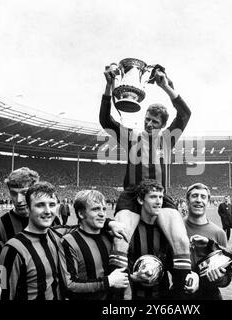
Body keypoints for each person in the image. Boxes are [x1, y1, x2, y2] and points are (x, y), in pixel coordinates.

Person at [101, 64, 192, 288]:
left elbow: (185, 114)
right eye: (148, 119)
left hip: (161, 195)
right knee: (120, 240)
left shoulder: (169, 137)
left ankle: (179, 294)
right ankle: (118, 295)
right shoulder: (131, 136)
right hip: (132, 195)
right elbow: (106, 120)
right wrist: (108, 86)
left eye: (155, 122)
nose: (149, 124)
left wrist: (166, 87)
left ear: (163, 125)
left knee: (181, 242)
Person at [127, 179, 197, 300]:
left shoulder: (167, 231)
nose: (159, 201)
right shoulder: (130, 229)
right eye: (153, 197)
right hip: (134, 296)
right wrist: (133, 277)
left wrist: (192, 275)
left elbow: (173, 265)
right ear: (140, 200)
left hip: (163, 296)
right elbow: (118, 271)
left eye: (161, 197)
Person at [0, 182, 65, 300]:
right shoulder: (11, 249)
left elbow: (84, 226)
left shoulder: (56, 236)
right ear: (28, 208)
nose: (48, 211)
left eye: (52, 204)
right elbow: (0, 292)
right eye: (40, 205)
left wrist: (109, 223)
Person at [59, 190, 129, 300]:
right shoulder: (69, 241)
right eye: (95, 209)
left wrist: (134, 277)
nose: (102, 214)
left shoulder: (111, 237)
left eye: (104, 209)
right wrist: (108, 281)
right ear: (81, 214)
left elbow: (119, 274)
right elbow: (70, 285)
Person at [184, 183, 232, 300]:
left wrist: (219, 277)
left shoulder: (219, 233)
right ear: (187, 201)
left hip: (210, 295)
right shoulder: (175, 228)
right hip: (180, 294)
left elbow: (227, 275)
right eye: (195, 196)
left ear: (208, 201)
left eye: (203, 197)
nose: (199, 200)